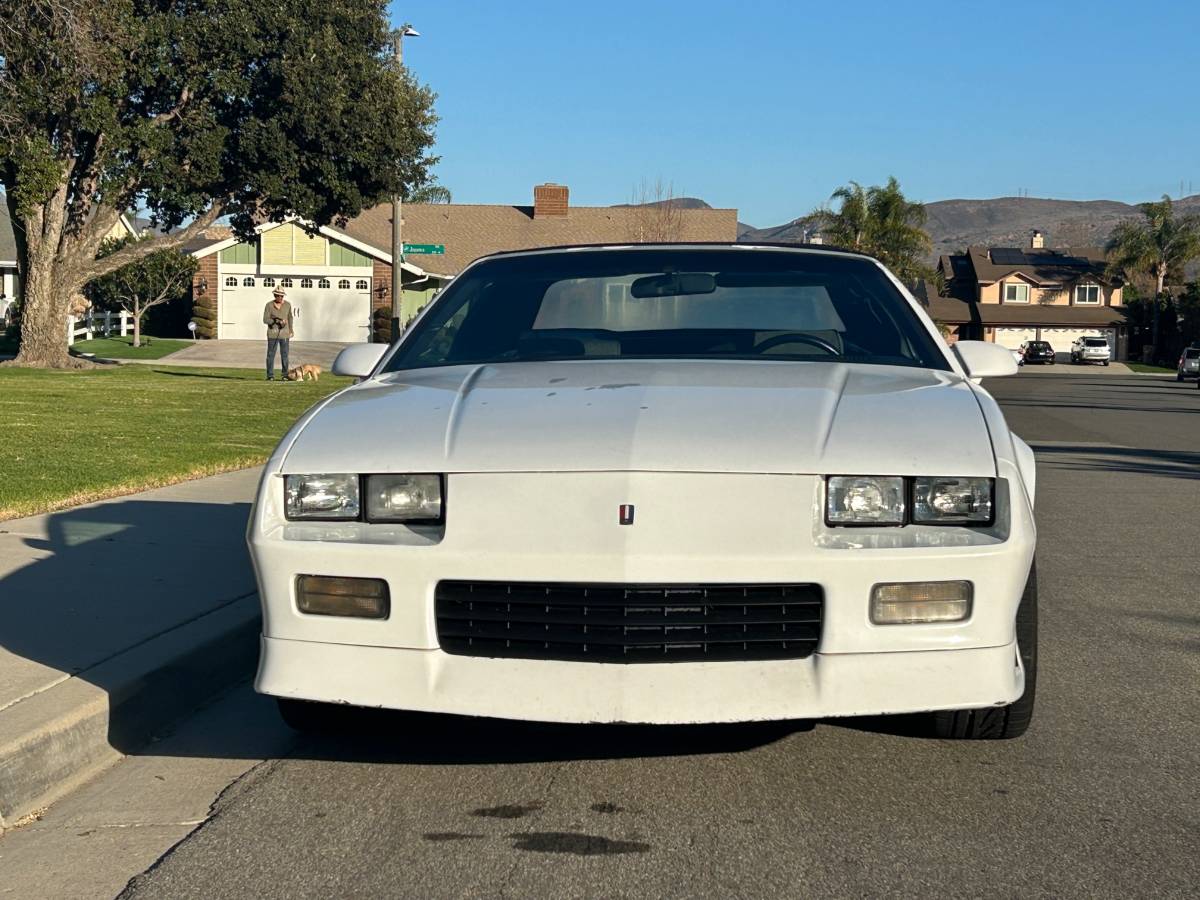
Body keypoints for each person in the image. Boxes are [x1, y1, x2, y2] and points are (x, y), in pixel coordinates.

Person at [263, 287, 293, 381]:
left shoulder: (288, 305)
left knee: (285, 355)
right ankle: (270, 375)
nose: (280, 297)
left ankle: (285, 375)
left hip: (285, 334)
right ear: (274, 295)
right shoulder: (269, 305)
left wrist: (291, 330)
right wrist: (275, 321)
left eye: (281, 296)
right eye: (278, 295)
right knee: (270, 355)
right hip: (272, 334)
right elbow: (265, 319)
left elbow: (290, 318)